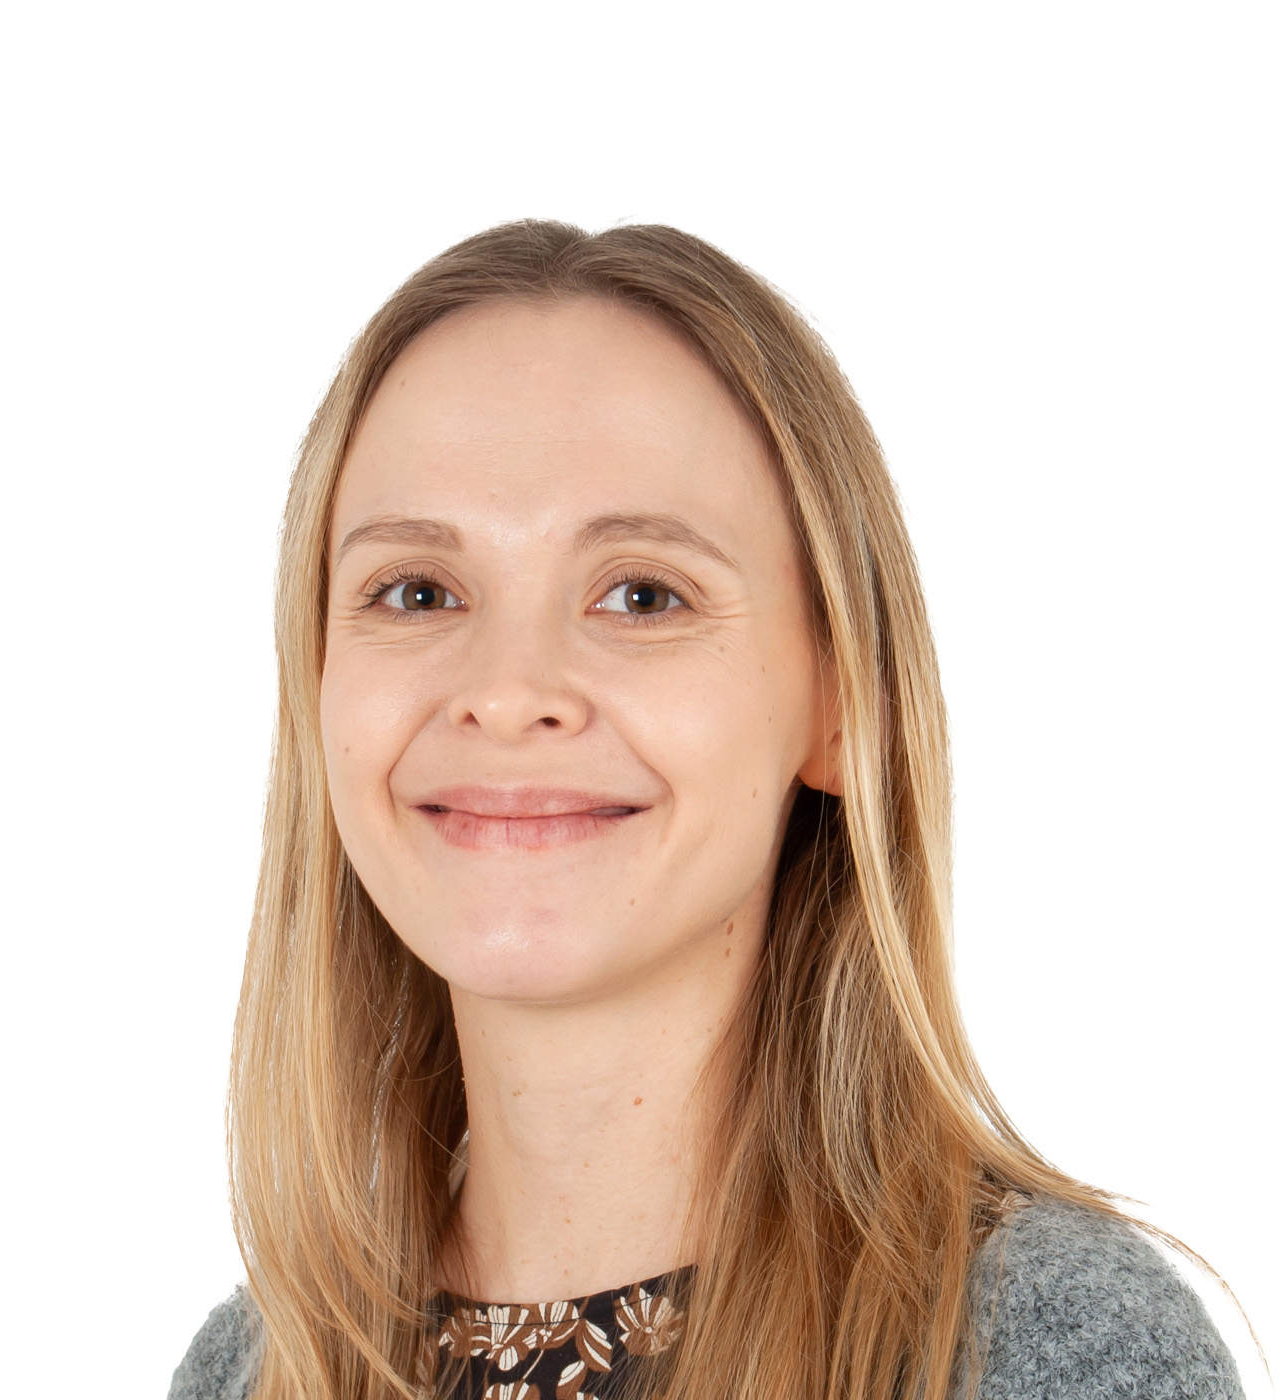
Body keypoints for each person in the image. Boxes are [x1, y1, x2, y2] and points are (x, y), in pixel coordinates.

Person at [169, 221, 1246, 1400]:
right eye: (417, 591)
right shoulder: (248, 1366)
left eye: (641, 594)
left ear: (840, 703)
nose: (507, 690)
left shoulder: (1030, 1344)